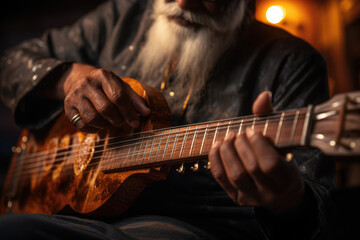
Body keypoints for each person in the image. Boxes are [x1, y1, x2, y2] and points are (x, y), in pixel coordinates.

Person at [0, 0, 334, 239]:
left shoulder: (294, 62)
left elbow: (316, 213)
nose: (185, 2)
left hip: (193, 227)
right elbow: (10, 64)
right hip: (69, 214)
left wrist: (286, 196)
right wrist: (68, 78)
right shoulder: (122, 16)